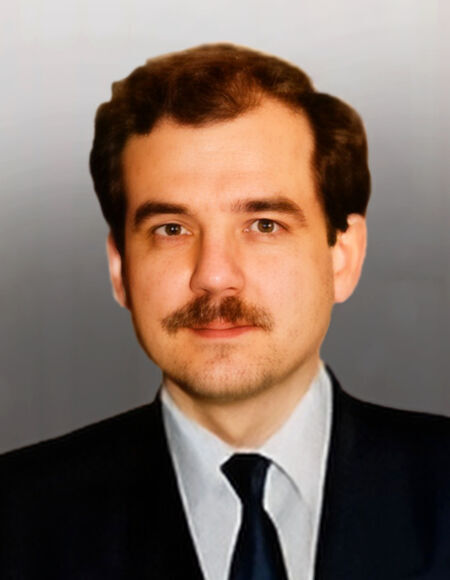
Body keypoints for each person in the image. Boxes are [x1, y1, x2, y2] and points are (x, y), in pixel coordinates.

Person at [1, 43, 449, 580]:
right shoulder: (16, 520)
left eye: (264, 225)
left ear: (343, 258)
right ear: (120, 269)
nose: (213, 275)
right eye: (171, 229)